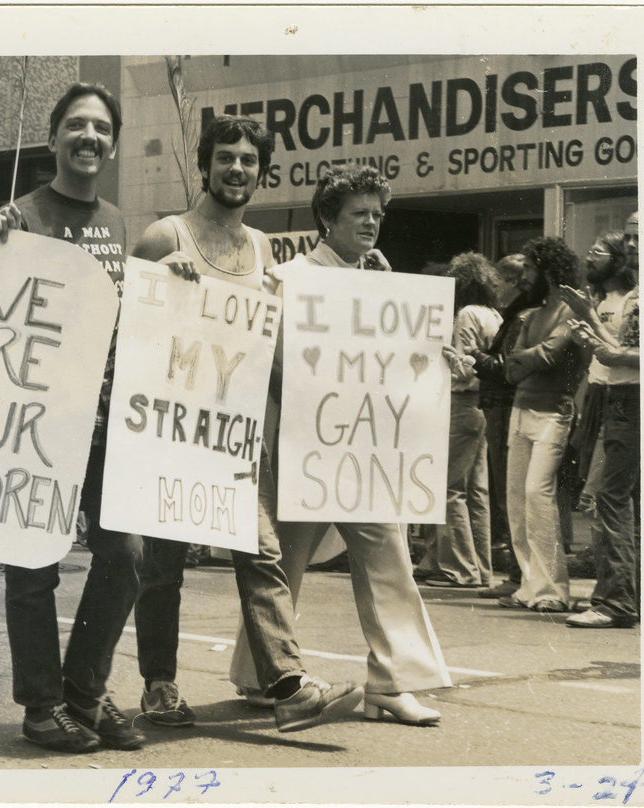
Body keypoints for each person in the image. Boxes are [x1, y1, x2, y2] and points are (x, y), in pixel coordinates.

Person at [130, 115, 364, 733]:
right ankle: (159, 685)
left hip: (237, 430)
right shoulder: (163, 235)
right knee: (163, 565)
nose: (237, 169)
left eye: (249, 160)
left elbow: (269, 345)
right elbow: (130, 330)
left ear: (261, 172)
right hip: (171, 428)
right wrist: (166, 285)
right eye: (226, 157)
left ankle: (288, 685)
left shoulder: (262, 248)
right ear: (205, 165)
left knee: (260, 552)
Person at [227, 164, 451, 726]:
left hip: (363, 448)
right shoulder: (286, 278)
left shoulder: (382, 281)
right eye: (360, 213)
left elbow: (398, 361)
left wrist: (442, 361)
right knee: (283, 564)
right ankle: (262, 677)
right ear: (328, 219)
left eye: (378, 214)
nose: (372, 223)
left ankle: (392, 682)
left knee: (386, 555)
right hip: (304, 445)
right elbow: (263, 355)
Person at [0, 83, 144, 752]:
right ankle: (41, 705)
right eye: (76, 125)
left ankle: (85, 691)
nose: (89, 136)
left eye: (101, 128)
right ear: (53, 139)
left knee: (126, 554)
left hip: (105, 416)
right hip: (39, 416)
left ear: (111, 144)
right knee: (34, 562)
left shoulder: (116, 221)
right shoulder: (18, 216)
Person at [498, 237, 590, 614]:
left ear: (548, 272)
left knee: (538, 494)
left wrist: (524, 358)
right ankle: (529, 583)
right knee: (517, 499)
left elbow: (548, 356)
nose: (524, 277)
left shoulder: (569, 311)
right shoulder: (533, 316)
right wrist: (526, 358)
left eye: (531, 269)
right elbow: (510, 369)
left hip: (554, 412)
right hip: (522, 411)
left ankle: (553, 589)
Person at [562, 211, 640, 629]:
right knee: (620, 499)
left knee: (611, 498)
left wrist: (597, 334)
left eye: (638, 237)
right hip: (618, 397)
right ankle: (621, 595)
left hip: (631, 399)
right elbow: (616, 350)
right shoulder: (638, 293)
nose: (631, 246)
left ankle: (617, 601)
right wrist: (592, 327)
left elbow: (631, 354)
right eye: (627, 238)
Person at [416, 253, 503, 588]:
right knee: (476, 491)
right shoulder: (493, 314)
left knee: (449, 489)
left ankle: (460, 568)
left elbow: (466, 367)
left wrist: (446, 356)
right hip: (483, 408)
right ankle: (480, 566)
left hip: (462, 402)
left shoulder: (466, 314)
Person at [473, 254, 539, 600]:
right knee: (506, 493)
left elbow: (505, 365)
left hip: (503, 406)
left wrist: (475, 357)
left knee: (509, 493)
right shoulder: (513, 316)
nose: (495, 288)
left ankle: (518, 574)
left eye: (500, 281)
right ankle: (519, 573)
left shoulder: (518, 318)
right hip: (502, 405)